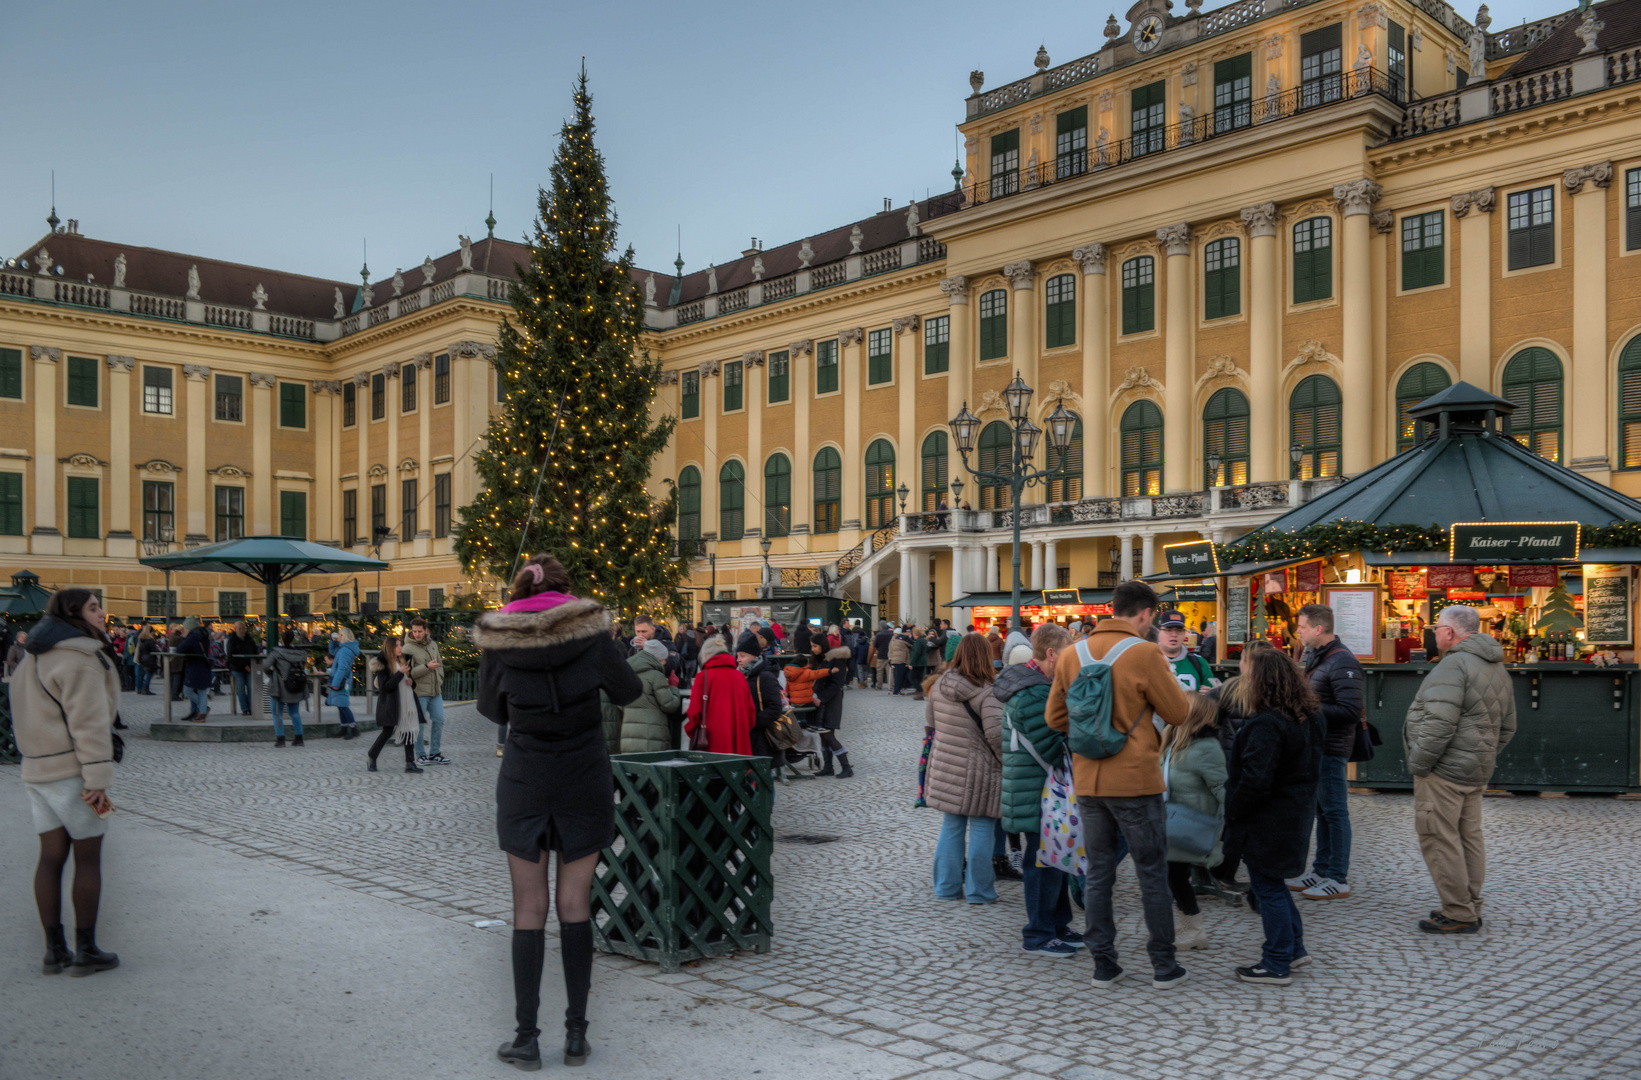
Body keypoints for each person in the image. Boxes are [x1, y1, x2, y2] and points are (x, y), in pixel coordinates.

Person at [473, 554, 642, 1069]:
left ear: (519, 590)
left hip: (525, 776)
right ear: (568, 590)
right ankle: (576, 1035)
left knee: (528, 908)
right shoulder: (590, 634)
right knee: (575, 904)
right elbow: (630, 691)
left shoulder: (501, 638)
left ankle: (525, 1038)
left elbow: (489, 708)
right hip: (582, 773)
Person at [1045, 580, 1194, 991]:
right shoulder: (1146, 653)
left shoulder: (1072, 654)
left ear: (1113, 607)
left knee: (1098, 873)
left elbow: (1055, 717)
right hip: (1136, 781)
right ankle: (1164, 966)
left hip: (1090, 780)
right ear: (1146, 614)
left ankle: (1104, 965)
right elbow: (1179, 713)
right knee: (1151, 872)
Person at [12, 589, 121, 977]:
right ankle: (86, 950)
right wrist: (97, 778)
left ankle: (54, 951)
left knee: (51, 858)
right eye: (94, 607)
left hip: (37, 771)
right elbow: (89, 723)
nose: (102, 613)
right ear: (74, 612)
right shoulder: (80, 659)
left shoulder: (33, 656)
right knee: (87, 859)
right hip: (73, 774)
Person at [1404, 605, 1516, 935]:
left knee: (1439, 838)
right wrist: (1483, 755)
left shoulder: (1453, 665)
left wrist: (1420, 765)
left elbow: (1439, 724)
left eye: (1436, 627)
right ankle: (1470, 905)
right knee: (1469, 837)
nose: (1434, 632)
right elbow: (1508, 727)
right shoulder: (1497, 667)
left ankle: (1458, 911)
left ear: (1450, 632)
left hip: (1443, 770)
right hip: (1476, 769)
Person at [1224, 646, 1322, 985]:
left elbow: (1255, 780)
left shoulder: (1267, 724)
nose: (1241, 680)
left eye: (1245, 673)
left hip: (1269, 821)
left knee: (1268, 888)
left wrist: (1234, 813)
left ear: (1259, 681)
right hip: (1294, 814)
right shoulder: (1305, 717)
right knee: (1275, 885)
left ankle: (1277, 960)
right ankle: (1294, 949)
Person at [995, 626, 1083, 957]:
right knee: (1042, 862)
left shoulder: (1037, 687)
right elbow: (1051, 746)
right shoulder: (1032, 693)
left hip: (1041, 788)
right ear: (1051, 654)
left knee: (1054, 859)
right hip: (1037, 789)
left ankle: (1057, 925)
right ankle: (1038, 933)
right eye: (1068, 651)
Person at [1288, 604, 1365, 901]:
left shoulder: (1342, 661)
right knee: (1323, 811)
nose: (1298, 631)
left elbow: (1349, 710)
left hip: (1332, 748)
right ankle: (1321, 870)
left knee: (1335, 812)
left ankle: (1337, 877)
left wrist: (1307, 708)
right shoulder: (1318, 658)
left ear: (1318, 629)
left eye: (1302, 626)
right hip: (1319, 746)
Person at [925, 634, 1005, 904]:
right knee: (983, 829)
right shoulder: (988, 690)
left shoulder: (938, 686)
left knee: (952, 826)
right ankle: (979, 891)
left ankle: (946, 888)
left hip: (946, 767)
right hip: (981, 771)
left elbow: (931, 725)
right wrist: (1006, 762)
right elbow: (997, 737)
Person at [1164, 694, 1228, 951]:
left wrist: (1226, 830)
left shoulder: (1206, 747)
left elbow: (1223, 789)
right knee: (1173, 877)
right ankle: (1189, 925)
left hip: (1190, 825)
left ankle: (1195, 929)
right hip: (1172, 822)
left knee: (1175, 877)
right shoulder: (1175, 740)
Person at [685, 638, 755, 754]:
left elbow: (694, 712)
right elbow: (751, 714)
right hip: (739, 743)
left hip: (711, 742)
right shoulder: (740, 677)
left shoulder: (703, 677)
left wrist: (691, 731)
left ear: (706, 655)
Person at [367, 635, 425, 773]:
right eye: (397, 645)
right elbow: (386, 687)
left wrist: (411, 682)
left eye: (400, 645)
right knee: (387, 732)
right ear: (390, 648)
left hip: (407, 701)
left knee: (409, 729)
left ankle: (410, 763)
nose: (400, 648)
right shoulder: (382, 664)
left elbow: (408, 681)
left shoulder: (403, 660)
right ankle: (372, 756)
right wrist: (399, 673)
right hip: (392, 703)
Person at [619, 638, 683, 754]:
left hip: (628, 739)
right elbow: (669, 705)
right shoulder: (656, 676)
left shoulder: (626, 673)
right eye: (664, 660)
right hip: (652, 740)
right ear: (657, 659)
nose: (665, 663)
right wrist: (673, 687)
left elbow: (619, 703)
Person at [404, 617, 450, 766]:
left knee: (439, 720)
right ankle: (420, 754)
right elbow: (408, 673)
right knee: (420, 724)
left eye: (420, 631)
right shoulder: (407, 648)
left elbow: (440, 663)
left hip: (435, 691)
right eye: (414, 631)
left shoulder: (433, 645)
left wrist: (440, 677)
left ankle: (435, 753)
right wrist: (426, 667)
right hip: (419, 692)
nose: (417, 634)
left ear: (425, 631)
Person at [810, 638, 855, 776]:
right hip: (822, 700)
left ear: (822, 645)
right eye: (812, 646)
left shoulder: (836, 660)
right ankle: (828, 767)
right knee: (823, 735)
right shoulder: (820, 659)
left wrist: (821, 699)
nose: (813, 649)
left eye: (815, 646)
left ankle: (846, 767)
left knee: (828, 734)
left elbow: (836, 684)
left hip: (831, 701)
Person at [261, 629, 310, 747]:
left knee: (277, 713)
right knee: (294, 713)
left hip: (279, 685)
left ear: (282, 639)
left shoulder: (276, 652)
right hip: (295, 684)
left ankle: (280, 739)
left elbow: (266, 666)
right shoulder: (301, 653)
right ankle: (299, 738)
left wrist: (272, 675)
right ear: (293, 639)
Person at [1157, 608, 1218, 695]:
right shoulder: (1147, 662)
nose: (1174, 634)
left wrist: (1209, 696)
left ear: (1185, 634)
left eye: (1179, 630)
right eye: (1168, 630)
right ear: (1159, 632)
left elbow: (1212, 701)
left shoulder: (1199, 663)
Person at [740, 645, 784, 761]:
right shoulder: (744, 676)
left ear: (754, 656)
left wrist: (753, 722)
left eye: (742, 656)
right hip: (747, 738)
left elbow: (775, 708)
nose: (738, 659)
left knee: (761, 775)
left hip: (762, 739)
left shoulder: (765, 676)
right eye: (738, 656)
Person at [175, 616, 213, 723]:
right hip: (204, 666)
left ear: (189, 629)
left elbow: (179, 650)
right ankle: (201, 713)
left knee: (187, 691)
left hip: (194, 667)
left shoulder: (192, 637)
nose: (184, 631)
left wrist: (184, 638)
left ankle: (203, 708)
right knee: (202, 691)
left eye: (185, 629)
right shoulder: (204, 636)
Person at [328, 627, 361, 739]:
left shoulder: (345, 650)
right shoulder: (343, 648)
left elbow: (342, 668)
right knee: (340, 704)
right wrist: (333, 641)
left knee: (343, 705)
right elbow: (332, 652)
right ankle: (344, 727)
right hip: (342, 680)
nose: (338, 636)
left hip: (342, 681)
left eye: (340, 635)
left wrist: (336, 683)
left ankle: (353, 728)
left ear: (344, 636)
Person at [227, 620, 259, 714]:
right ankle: (244, 709)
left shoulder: (249, 639)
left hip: (249, 666)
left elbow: (254, 651)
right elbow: (231, 656)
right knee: (240, 689)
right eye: (239, 629)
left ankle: (251, 707)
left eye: (243, 628)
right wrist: (244, 665)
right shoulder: (232, 640)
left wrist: (250, 664)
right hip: (237, 668)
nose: (241, 630)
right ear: (235, 629)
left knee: (251, 688)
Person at [135, 625, 159, 695]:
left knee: (141, 675)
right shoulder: (150, 640)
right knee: (149, 674)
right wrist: (159, 650)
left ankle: (140, 688)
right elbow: (153, 649)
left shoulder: (141, 639)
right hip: (150, 658)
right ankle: (146, 688)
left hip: (142, 657)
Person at [887, 626, 912, 695]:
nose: (910, 633)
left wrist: (890, 658)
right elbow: (912, 645)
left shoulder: (896, 638)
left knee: (900, 675)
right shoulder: (905, 638)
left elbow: (891, 649)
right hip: (900, 659)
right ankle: (896, 691)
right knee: (899, 675)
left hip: (896, 659)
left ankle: (899, 689)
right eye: (909, 632)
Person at [908, 628, 930, 700]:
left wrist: (911, 663)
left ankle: (920, 690)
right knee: (919, 678)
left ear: (915, 634)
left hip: (918, 662)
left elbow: (916, 653)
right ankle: (919, 693)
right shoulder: (923, 640)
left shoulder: (918, 641)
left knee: (912, 677)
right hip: (923, 662)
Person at [872, 621, 892, 690]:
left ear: (880, 626)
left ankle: (879, 685)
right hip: (889, 655)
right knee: (890, 672)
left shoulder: (878, 634)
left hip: (880, 655)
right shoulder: (891, 634)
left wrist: (879, 648)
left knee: (880, 671)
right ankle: (891, 686)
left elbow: (875, 644)